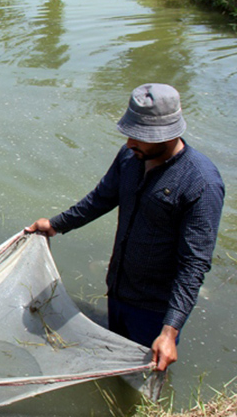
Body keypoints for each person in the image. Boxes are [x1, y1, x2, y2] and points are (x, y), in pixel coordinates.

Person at [26, 83, 224, 372]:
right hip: (119, 286)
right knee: (112, 355)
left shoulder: (201, 184)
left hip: (155, 308)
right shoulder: (131, 156)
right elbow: (101, 198)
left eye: (141, 136)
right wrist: (56, 224)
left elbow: (194, 264)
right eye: (131, 133)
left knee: (144, 371)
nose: (131, 142)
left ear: (168, 135)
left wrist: (169, 332)